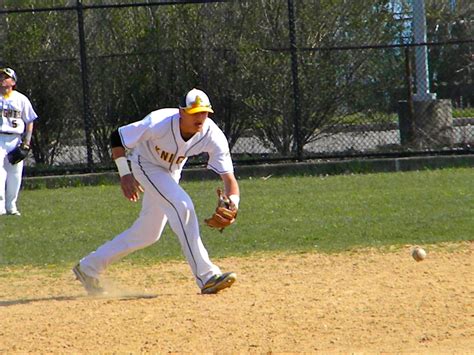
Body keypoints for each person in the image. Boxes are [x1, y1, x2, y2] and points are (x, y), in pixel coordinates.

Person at [73, 88, 240, 295]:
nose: (200, 117)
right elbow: (117, 137)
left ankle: (88, 267)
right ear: (181, 112)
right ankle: (207, 276)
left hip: (171, 172)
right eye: (194, 112)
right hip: (146, 164)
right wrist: (125, 174)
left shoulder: (211, 134)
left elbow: (229, 179)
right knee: (183, 206)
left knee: (148, 233)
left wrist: (233, 206)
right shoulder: (158, 122)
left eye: (204, 112)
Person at [0, 67, 38, 216]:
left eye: (6, 77)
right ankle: (0, 205)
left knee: (15, 173)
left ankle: (11, 206)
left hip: (15, 139)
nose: (2, 79)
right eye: (1, 76)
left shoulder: (21, 99)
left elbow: (29, 120)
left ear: (13, 81)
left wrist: (26, 142)